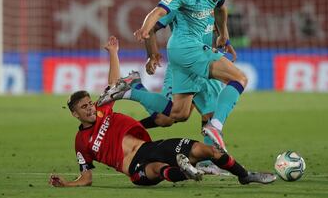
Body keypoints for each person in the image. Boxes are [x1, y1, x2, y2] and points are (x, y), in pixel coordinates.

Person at [48, 36, 276, 187]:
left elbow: (114, 86)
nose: (89, 108)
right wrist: (67, 184)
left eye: (89, 103)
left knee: (209, 150)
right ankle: (187, 168)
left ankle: (244, 176)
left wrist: (113, 53)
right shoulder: (81, 142)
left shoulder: (101, 111)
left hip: (150, 146)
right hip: (135, 168)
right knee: (159, 168)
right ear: (75, 114)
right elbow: (86, 177)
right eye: (84, 107)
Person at [133, 0, 247, 153]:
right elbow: (157, 15)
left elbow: (221, 7)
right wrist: (148, 41)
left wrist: (224, 34)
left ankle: (132, 90)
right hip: (188, 52)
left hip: (201, 52)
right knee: (237, 80)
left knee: (179, 114)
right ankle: (214, 133)